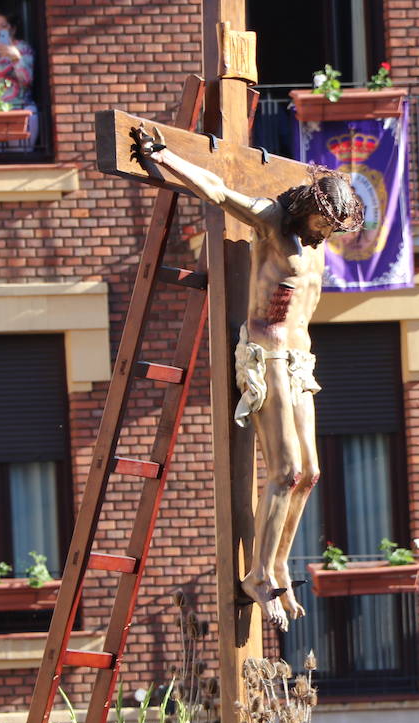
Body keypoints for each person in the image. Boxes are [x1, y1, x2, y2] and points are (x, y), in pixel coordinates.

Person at [132, 127, 364, 630]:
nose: (327, 234)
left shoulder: (316, 238)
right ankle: (256, 575)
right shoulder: (274, 224)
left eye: (334, 228)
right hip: (268, 354)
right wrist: (165, 155)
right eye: (325, 222)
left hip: (301, 359)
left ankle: (278, 564)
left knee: (310, 473)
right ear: (308, 208)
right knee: (283, 470)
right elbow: (217, 191)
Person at [0, 10, 38, 148]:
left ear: (13, 29)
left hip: (20, 114)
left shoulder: (23, 48)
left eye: (3, 26)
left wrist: (15, 57)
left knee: (19, 160)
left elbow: (27, 79)